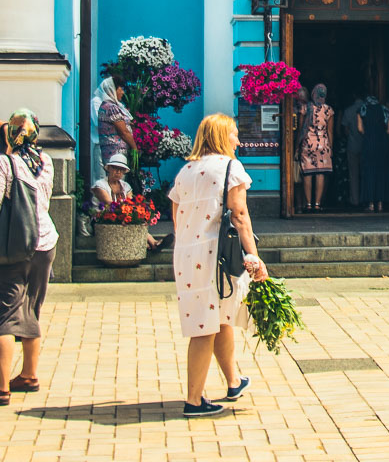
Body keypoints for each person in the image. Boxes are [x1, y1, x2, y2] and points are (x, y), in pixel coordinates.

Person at [170, 113, 269, 417]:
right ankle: (194, 399)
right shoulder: (230, 167)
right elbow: (239, 215)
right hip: (216, 256)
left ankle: (233, 381)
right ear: (221, 137)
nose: (238, 141)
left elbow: (176, 217)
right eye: (234, 135)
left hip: (187, 254)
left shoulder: (185, 171)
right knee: (203, 326)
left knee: (220, 317)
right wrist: (254, 257)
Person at [0, 109, 59, 406]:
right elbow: (43, 200)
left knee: (5, 314)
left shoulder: (3, 163)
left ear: (10, 133)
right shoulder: (44, 162)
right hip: (44, 243)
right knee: (31, 308)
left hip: (12, 245)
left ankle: (2, 386)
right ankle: (29, 375)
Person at [90, 152, 172, 251]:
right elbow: (111, 204)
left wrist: (137, 215)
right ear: (109, 169)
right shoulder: (100, 185)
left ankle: (150, 244)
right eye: (115, 168)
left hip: (121, 218)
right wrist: (128, 214)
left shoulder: (125, 186)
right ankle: (152, 243)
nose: (118, 172)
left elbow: (132, 204)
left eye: (121, 170)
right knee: (129, 220)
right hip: (102, 219)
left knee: (133, 218)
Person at [298, 83, 334, 211]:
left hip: (308, 144)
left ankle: (308, 204)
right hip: (323, 145)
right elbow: (330, 131)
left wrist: (297, 144)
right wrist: (331, 147)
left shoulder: (305, 108)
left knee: (307, 174)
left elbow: (301, 127)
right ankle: (317, 204)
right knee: (320, 174)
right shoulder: (328, 110)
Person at [357, 96, 389, 212]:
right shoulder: (385, 109)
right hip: (383, 143)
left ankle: (371, 204)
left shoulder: (362, 109)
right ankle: (380, 204)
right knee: (382, 172)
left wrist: (368, 135)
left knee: (369, 172)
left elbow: (360, 128)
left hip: (369, 143)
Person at [97, 75, 136, 166]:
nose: (122, 92)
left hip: (114, 153)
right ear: (113, 90)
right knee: (117, 178)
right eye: (120, 89)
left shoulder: (108, 106)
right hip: (115, 154)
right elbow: (123, 132)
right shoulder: (111, 107)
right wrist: (135, 148)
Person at [340, 95, 365, 207]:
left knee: (353, 174)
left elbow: (345, 130)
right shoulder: (366, 109)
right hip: (366, 146)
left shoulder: (348, 111)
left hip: (352, 145)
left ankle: (355, 200)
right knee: (365, 174)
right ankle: (366, 198)